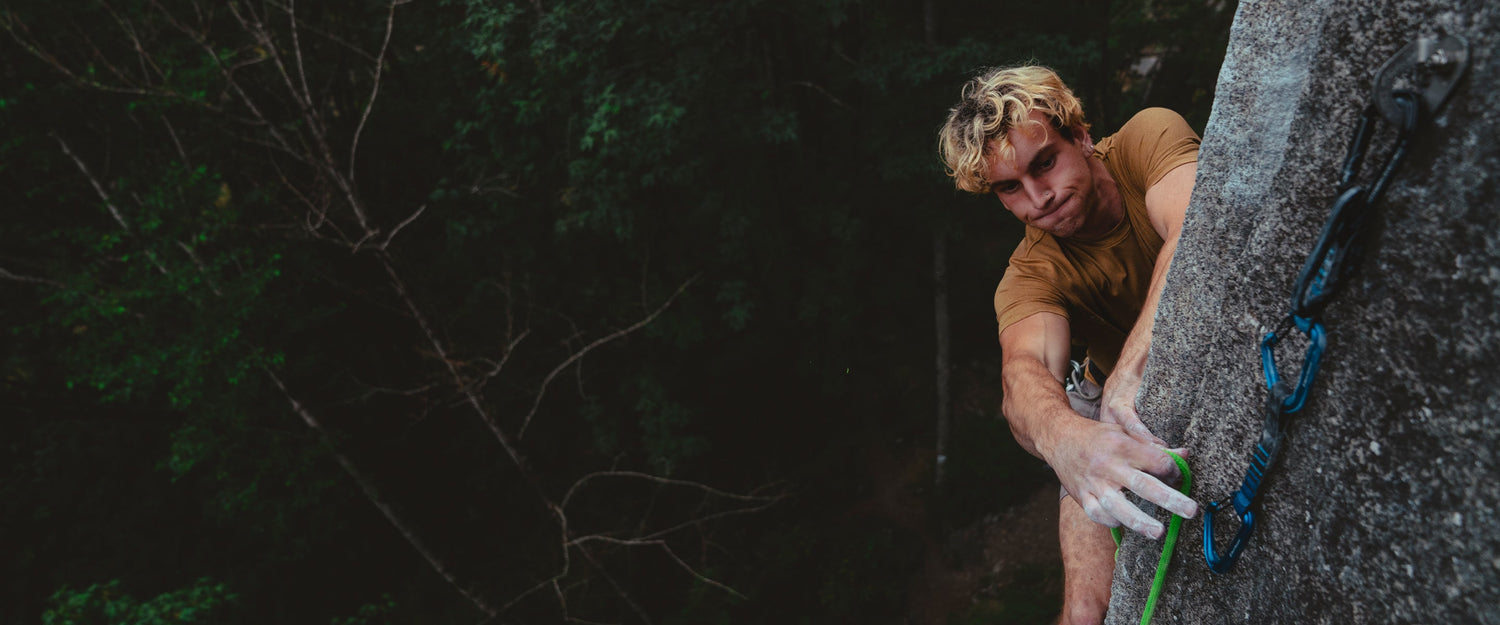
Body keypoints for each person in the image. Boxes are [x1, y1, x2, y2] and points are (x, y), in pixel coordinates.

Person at [938, 65, 1201, 624]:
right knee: (1084, 613)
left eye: (1044, 163)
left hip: (1118, 380)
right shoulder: (1030, 272)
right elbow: (1023, 377)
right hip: (1097, 398)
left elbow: (1194, 231)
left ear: (1079, 134)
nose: (1038, 198)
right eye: (1009, 188)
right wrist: (1067, 441)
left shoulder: (1144, 141)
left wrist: (1131, 369)